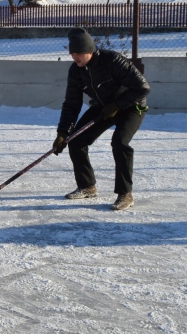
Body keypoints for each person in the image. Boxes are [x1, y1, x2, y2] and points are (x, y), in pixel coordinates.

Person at [53, 27, 150, 211]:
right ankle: (87, 186)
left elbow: (142, 87)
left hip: (131, 106)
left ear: (90, 50)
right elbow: (71, 104)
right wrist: (62, 133)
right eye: (73, 53)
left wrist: (117, 105)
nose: (76, 57)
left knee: (120, 142)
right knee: (76, 140)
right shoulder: (76, 71)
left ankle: (125, 194)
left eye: (79, 53)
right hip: (103, 107)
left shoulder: (113, 60)